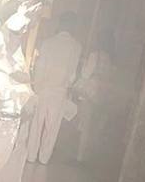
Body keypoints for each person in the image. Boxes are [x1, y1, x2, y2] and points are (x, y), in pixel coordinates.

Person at [27, 11, 83, 165]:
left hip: (44, 89)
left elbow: (40, 67)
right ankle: (44, 157)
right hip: (60, 91)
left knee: (36, 124)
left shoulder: (48, 43)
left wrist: (36, 87)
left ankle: (31, 155)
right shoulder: (76, 47)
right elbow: (72, 74)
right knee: (52, 128)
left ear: (60, 24)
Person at [74, 28, 115, 165]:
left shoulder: (94, 55)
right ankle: (87, 156)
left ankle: (79, 157)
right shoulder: (108, 59)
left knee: (84, 125)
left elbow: (85, 74)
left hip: (89, 92)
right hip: (100, 93)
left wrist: (83, 65)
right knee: (92, 126)